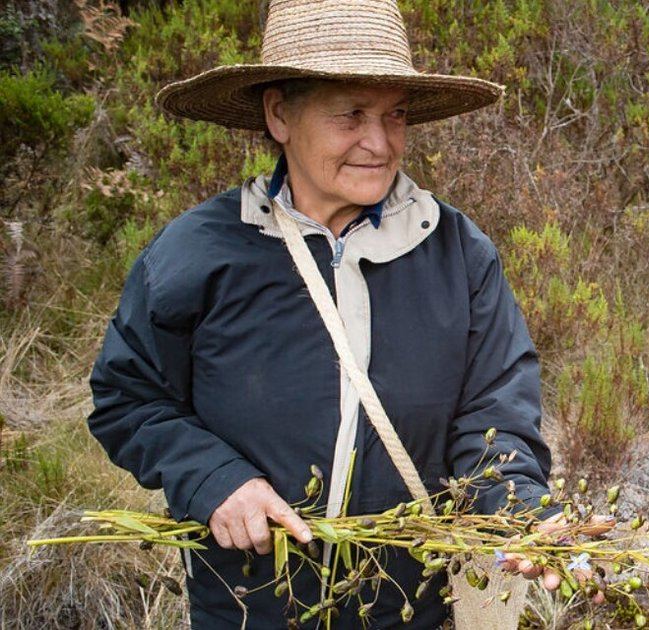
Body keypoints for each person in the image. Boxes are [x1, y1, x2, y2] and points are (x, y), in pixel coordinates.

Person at [87, 0, 556, 626]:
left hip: (408, 606)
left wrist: (518, 511)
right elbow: (128, 398)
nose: (380, 143)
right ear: (279, 113)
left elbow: (496, 410)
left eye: (394, 116)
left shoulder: (457, 254)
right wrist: (215, 479)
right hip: (247, 606)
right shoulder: (198, 253)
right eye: (351, 115)